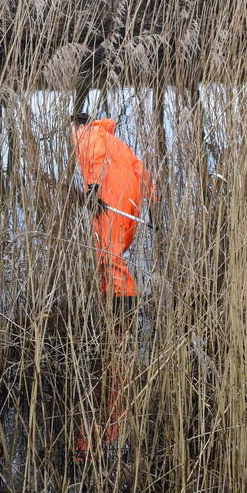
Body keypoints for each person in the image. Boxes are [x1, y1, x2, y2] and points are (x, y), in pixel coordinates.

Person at [70, 112, 153, 461]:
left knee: (107, 256)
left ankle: (121, 308)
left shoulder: (86, 136)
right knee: (109, 255)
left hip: (109, 199)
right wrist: (150, 199)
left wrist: (91, 187)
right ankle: (116, 306)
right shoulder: (116, 139)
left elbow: (94, 158)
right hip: (128, 203)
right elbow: (141, 169)